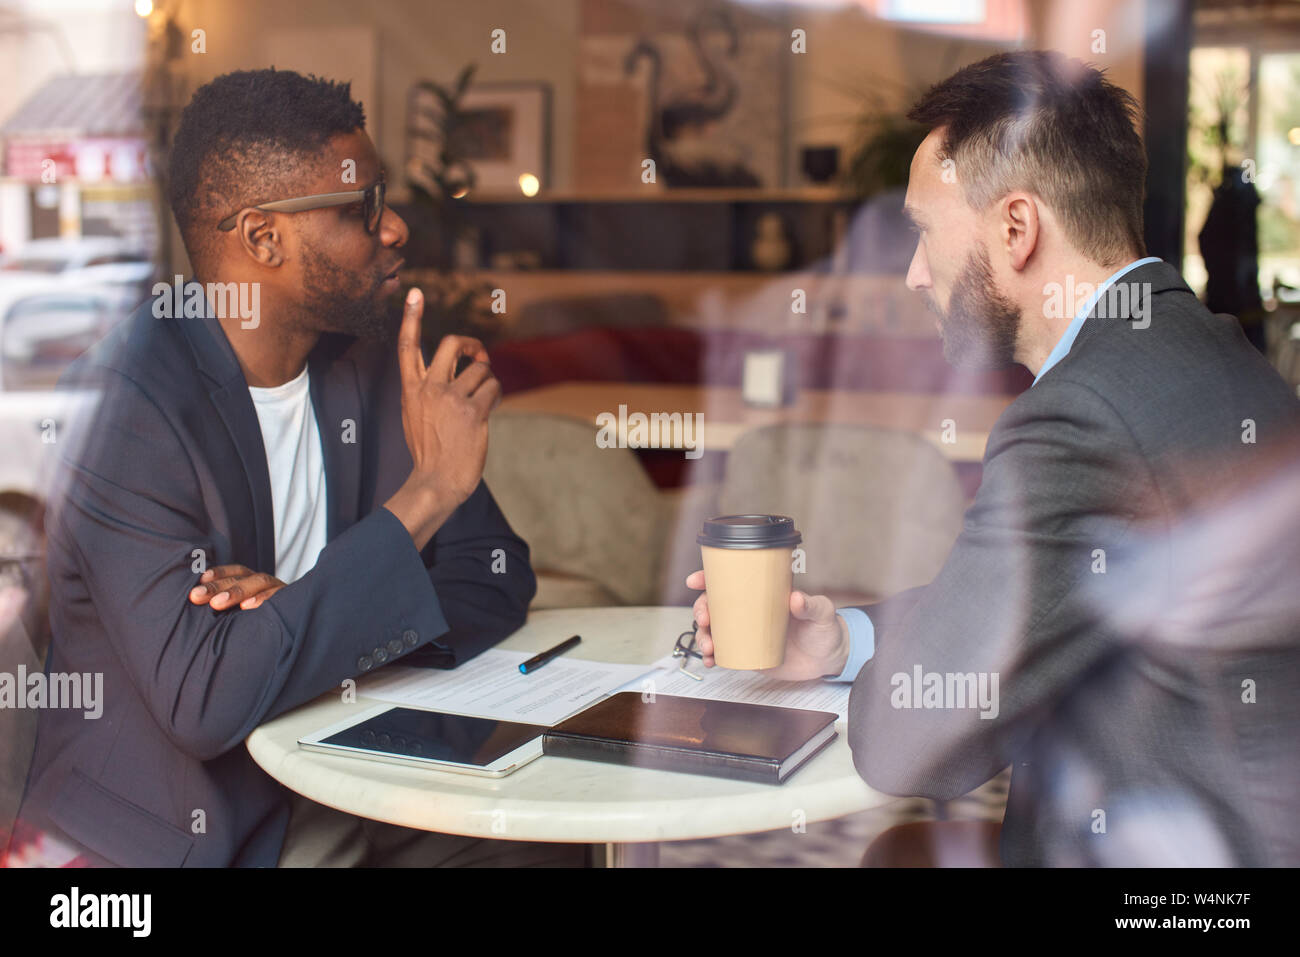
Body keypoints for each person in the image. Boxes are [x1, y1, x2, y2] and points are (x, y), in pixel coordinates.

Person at [688, 51, 1300, 867]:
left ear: (1016, 229)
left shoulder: (1079, 415)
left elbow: (908, 745)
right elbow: (1033, 606)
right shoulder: (1206, 353)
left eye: (921, 231)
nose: (913, 274)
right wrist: (847, 644)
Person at [8, 69, 582, 867]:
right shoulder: (126, 407)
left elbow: (495, 576)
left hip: (352, 785)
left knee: (548, 845)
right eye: (362, 209)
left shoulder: (373, 367)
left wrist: (308, 618)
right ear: (262, 238)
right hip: (180, 835)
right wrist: (424, 497)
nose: (395, 229)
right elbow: (207, 701)